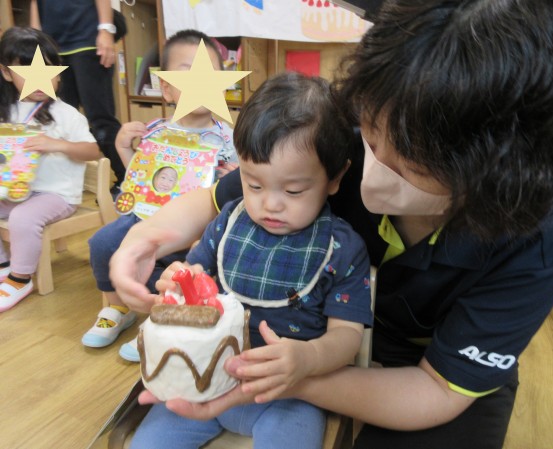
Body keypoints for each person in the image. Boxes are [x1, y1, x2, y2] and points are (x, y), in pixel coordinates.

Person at [110, 0, 553, 448]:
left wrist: (296, 374)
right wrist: (144, 237)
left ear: (486, 180)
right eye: (369, 131)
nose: (373, 160)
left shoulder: (539, 234)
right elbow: (213, 200)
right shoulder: (327, 145)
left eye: (407, 163)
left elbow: (436, 390)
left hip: (425, 365)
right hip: (295, 340)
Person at [128, 71, 373, 449]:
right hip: (206, 377)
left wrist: (308, 357)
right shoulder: (228, 222)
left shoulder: (343, 249)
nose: (270, 203)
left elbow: (347, 336)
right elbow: (195, 274)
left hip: (290, 393)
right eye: (253, 184)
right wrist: (180, 281)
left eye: (293, 190)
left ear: (335, 178)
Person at [82, 30, 238, 362]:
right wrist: (124, 149)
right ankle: (118, 308)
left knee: (192, 262)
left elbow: (237, 190)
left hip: (198, 228)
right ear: (166, 88)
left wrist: (232, 176)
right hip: (146, 218)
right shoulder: (155, 131)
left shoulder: (230, 138)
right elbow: (141, 182)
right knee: (103, 243)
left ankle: (167, 314)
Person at [0, 27, 100, 312]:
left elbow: (93, 151)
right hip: (16, 190)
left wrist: (57, 144)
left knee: (22, 218)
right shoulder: (7, 111)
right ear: (6, 73)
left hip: (56, 195)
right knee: (16, 212)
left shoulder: (66, 114)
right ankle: (4, 265)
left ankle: (20, 278)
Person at [29, 0, 125, 192]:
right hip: (53, 51)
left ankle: (127, 180)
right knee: (58, 120)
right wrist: (35, 45)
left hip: (88, 43)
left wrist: (106, 30)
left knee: (101, 120)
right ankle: (66, 185)